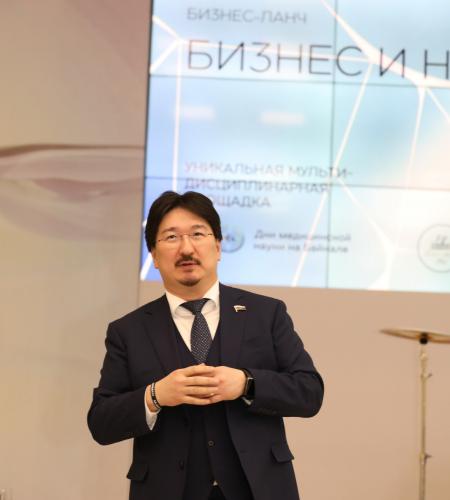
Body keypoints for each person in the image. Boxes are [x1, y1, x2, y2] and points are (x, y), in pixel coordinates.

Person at [87, 190, 324, 500]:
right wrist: (155, 395)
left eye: (198, 234)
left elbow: (309, 392)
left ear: (218, 246)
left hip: (258, 489)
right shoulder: (128, 331)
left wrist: (247, 383)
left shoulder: (266, 313)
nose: (187, 248)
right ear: (154, 256)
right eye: (171, 237)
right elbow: (101, 422)